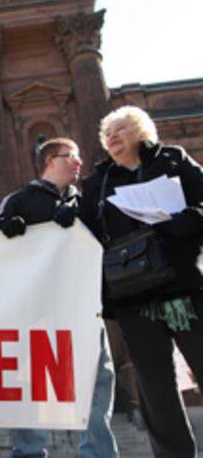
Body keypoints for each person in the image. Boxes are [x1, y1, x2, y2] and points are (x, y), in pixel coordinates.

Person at [80, 106, 203, 457]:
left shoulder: (174, 161)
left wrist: (187, 220)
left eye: (120, 128)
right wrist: (62, 216)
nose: (112, 136)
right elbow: (84, 232)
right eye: (107, 132)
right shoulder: (97, 182)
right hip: (133, 296)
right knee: (156, 394)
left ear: (141, 131)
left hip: (185, 288)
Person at [0, 138, 118, 458]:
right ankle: (29, 452)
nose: (79, 162)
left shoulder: (89, 199)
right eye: (71, 157)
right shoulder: (19, 200)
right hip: (38, 309)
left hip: (85, 304)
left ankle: (99, 454)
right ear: (50, 160)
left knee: (97, 381)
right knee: (34, 382)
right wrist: (9, 229)